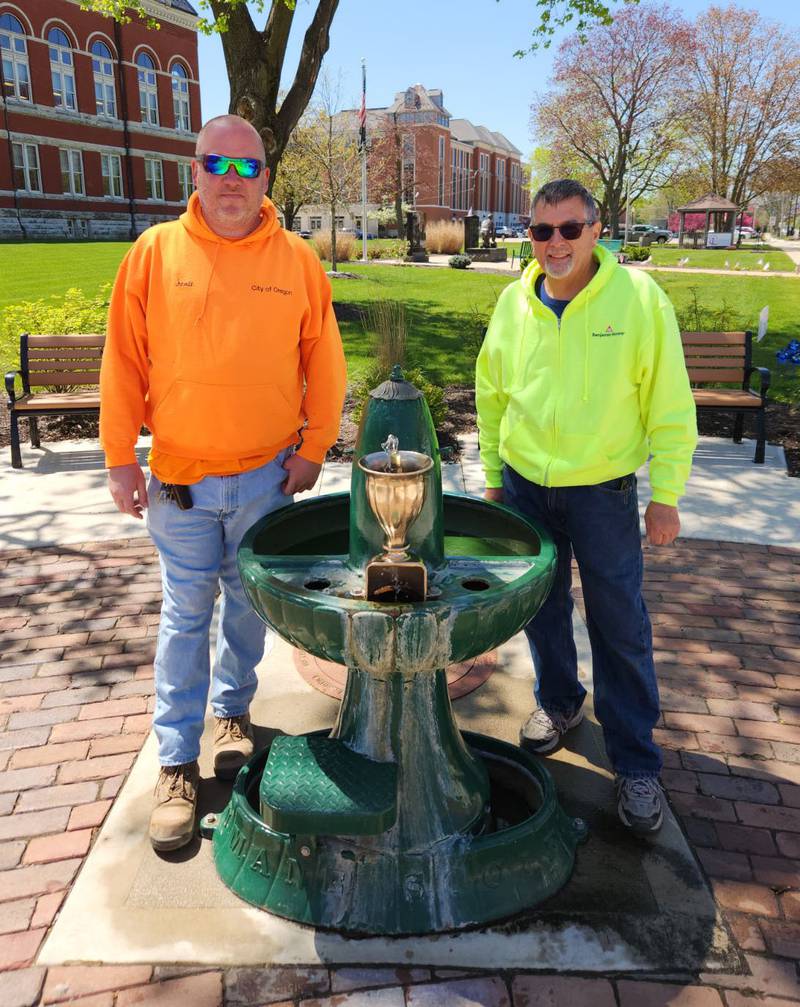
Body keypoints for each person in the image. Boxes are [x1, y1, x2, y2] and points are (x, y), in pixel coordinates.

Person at [100, 114, 347, 852]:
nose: (232, 182)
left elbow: (325, 361)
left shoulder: (297, 260)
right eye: (219, 165)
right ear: (196, 170)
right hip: (181, 482)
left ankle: (232, 713)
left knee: (246, 608)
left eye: (248, 169)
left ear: (266, 178)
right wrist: (119, 455)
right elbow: (124, 362)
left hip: (268, 477)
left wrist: (312, 449)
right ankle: (175, 762)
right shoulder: (154, 254)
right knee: (185, 614)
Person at [475, 179, 696, 835]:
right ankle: (560, 702)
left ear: (597, 230)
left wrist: (668, 495)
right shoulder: (514, 303)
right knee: (541, 609)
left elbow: (670, 401)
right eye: (542, 231)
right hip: (524, 487)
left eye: (570, 229)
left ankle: (635, 763)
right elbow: (492, 393)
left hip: (604, 492)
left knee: (619, 625)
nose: (555, 244)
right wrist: (492, 474)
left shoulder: (637, 300)